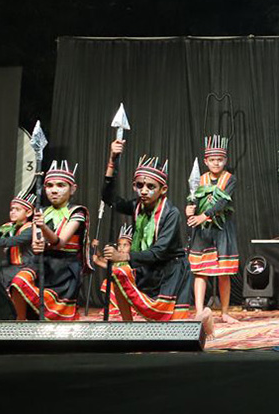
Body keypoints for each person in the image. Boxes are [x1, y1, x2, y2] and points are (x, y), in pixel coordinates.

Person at [95, 141, 197, 322]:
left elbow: (160, 251)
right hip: (147, 268)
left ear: (163, 189)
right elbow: (109, 198)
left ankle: (203, 319)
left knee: (173, 330)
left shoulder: (170, 213)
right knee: (119, 274)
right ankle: (128, 326)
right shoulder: (136, 206)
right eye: (139, 185)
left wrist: (124, 257)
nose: (143, 191)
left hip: (170, 270)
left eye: (150, 187)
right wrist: (112, 160)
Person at [2, 161, 87, 321]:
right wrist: (38, 243)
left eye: (61, 185)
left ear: (72, 189)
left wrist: (43, 227)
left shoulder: (77, 212)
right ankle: (18, 324)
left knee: (57, 316)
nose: (54, 190)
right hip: (42, 263)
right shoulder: (41, 211)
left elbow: (60, 242)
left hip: (63, 268)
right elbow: (36, 243)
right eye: (49, 185)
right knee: (18, 282)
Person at [187, 136, 240, 324]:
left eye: (220, 160)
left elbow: (222, 201)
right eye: (212, 160)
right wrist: (190, 208)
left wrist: (204, 215)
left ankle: (224, 312)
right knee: (200, 271)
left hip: (222, 229)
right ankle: (199, 311)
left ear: (225, 160)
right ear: (206, 161)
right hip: (203, 232)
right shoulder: (200, 179)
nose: (216, 163)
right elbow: (193, 199)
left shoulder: (229, 179)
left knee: (223, 272)